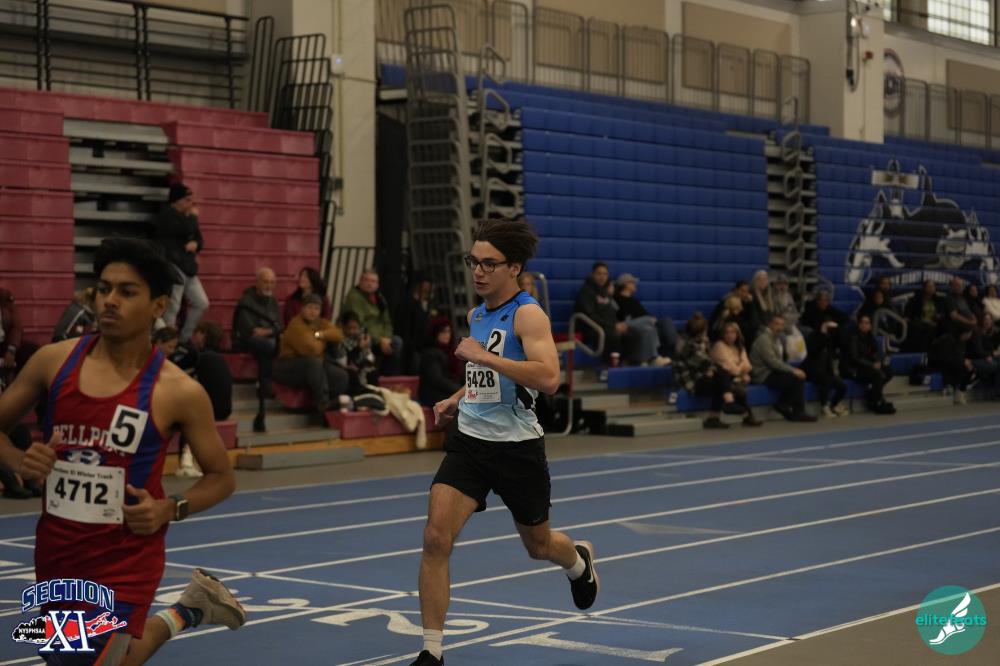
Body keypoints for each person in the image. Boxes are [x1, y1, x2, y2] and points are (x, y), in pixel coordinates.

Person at [0, 238, 244, 664]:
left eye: (127, 292)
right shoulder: (52, 362)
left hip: (126, 559)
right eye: (103, 288)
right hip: (58, 551)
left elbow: (222, 478)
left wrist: (169, 508)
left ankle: (187, 610)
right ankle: (189, 609)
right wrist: (18, 460)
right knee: (78, 658)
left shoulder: (178, 391)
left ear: (158, 306)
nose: (109, 301)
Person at [411, 220, 598, 666]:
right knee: (435, 537)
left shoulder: (528, 315)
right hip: (470, 442)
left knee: (538, 545)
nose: (478, 271)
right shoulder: (477, 315)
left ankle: (578, 561)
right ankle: (431, 652)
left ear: (513, 267)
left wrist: (483, 356)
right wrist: (457, 397)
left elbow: (548, 378)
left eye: (488, 264)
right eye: (473, 261)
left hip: (517, 449)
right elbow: (487, 373)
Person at [274, 293, 348, 414]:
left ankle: (333, 407)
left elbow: (338, 334)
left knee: (340, 375)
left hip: (312, 364)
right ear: (302, 308)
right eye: (309, 307)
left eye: (316, 308)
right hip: (287, 366)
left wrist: (319, 335)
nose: (313, 312)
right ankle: (322, 404)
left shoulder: (320, 323)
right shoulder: (296, 324)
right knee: (314, 363)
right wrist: (324, 340)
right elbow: (311, 350)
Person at [155, 183, 209, 344]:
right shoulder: (166, 216)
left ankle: (183, 339)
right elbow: (183, 230)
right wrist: (193, 218)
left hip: (188, 267)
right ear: (177, 200)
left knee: (202, 303)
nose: (191, 203)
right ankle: (168, 341)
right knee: (173, 306)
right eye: (187, 200)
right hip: (173, 265)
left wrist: (196, 244)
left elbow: (199, 239)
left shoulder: (187, 218)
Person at [232, 267, 281, 433]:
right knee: (268, 346)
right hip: (246, 340)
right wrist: (271, 332)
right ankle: (265, 384)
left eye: (272, 282)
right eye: (266, 281)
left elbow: (279, 326)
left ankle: (265, 384)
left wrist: (267, 332)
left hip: (267, 340)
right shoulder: (246, 301)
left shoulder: (273, 302)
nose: (269, 285)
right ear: (257, 282)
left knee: (269, 346)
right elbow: (248, 330)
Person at [749, 313, 817, 422]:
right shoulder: (764, 340)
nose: (779, 327)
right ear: (770, 324)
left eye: (781, 325)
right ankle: (794, 410)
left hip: (773, 372)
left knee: (797, 377)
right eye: (776, 324)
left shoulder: (777, 339)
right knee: (796, 378)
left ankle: (784, 405)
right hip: (762, 375)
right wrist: (793, 370)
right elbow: (773, 362)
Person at [342, 268, 404, 375]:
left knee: (397, 342)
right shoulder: (354, 297)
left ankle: (386, 376)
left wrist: (386, 338)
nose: (369, 284)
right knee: (365, 341)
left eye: (373, 281)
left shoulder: (379, 298)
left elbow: (387, 322)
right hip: (361, 335)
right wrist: (379, 340)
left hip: (381, 337)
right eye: (366, 280)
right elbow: (358, 323)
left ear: (377, 284)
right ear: (360, 281)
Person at [613, 273, 675, 364]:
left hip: (643, 324)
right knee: (648, 323)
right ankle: (654, 358)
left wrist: (650, 319)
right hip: (627, 325)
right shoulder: (617, 299)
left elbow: (645, 314)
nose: (635, 285)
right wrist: (648, 320)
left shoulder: (635, 301)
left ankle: (672, 353)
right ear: (626, 284)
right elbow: (621, 318)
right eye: (633, 282)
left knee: (666, 321)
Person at [574, 262, 629, 365]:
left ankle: (630, 364)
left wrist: (617, 325)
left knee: (631, 333)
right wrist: (613, 326)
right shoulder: (586, 292)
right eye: (599, 273)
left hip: (607, 326)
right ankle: (609, 366)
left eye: (605, 274)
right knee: (613, 336)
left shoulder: (605, 292)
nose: (602, 277)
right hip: (591, 328)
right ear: (592, 275)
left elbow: (611, 312)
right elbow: (590, 316)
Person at [840, 314, 896, 414]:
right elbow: (855, 358)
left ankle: (872, 395)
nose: (864, 325)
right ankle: (876, 402)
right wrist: (872, 365)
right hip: (853, 368)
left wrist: (877, 361)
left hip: (865, 366)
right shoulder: (853, 337)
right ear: (858, 324)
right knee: (878, 374)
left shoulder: (870, 337)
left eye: (867, 323)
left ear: (870, 326)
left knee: (888, 371)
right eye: (862, 322)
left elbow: (874, 353)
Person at [801, 319, 848, 417]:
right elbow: (814, 350)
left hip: (826, 370)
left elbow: (842, 343)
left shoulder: (830, 337)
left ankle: (834, 405)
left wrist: (838, 328)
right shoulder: (813, 336)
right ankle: (824, 407)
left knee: (842, 385)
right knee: (825, 380)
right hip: (811, 370)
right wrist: (822, 332)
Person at [333, 311, 379, 397]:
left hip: (362, 367)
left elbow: (370, 357)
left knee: (373, 372)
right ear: (343, 327)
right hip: (347, 369)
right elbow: (345, 362)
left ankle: (373, 397)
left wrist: (365, 349)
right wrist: (359, 348)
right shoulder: (340, 341)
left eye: (355, 328)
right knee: (353, 374)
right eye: (349, 328)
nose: (352, 331)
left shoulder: (361, 337)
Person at [395, 275, 434, 375]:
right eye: (424, 287)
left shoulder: (428, 303)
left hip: (422, 342)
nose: (426, 289)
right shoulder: (408, 303)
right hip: (411, 342)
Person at [418, 321, 462, 406]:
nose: (447, 335)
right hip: (433, 393)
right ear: (435, 333)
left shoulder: (451, 351)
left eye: (448, 331)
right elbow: (437, 379)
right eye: (443, 332)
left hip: (448, 390)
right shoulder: (430, 353)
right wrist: (459, 390)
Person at [929, 325, 975, 404]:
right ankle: (955, 389)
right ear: (965, 333)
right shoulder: (949, 340)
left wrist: (965, 361)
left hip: (952, 361)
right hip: (939, 362)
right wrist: (963, 361)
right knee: (963, 367)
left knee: (970, 367)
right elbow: (946, 356)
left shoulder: (962, 342)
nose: (970, 335)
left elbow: (959, 355)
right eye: (970, 333)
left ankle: (960, 391)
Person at [903, 279, 945, 352]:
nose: (931, 288)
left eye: (933, 286)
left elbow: (942, 312)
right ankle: (920, 352)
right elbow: (909, 312)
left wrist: (939, 316)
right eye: (929, 286)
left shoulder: (939, 300)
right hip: (919, 322)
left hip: (934, 322)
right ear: (924, 287)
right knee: (924, 328)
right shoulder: (916, 299)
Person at [967, 313, 1000, 399]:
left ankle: (997, 391)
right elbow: (978, 350)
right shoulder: (977, 332)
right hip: (975, 359)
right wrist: (990, 355)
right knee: (997, 365)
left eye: (989, 320)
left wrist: (991, 354)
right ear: (982, 321)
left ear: (992, 321)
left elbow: (992, 349)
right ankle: (997, 392)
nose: (987, 322)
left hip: (987, 358)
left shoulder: (993, 333)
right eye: (985, 320)